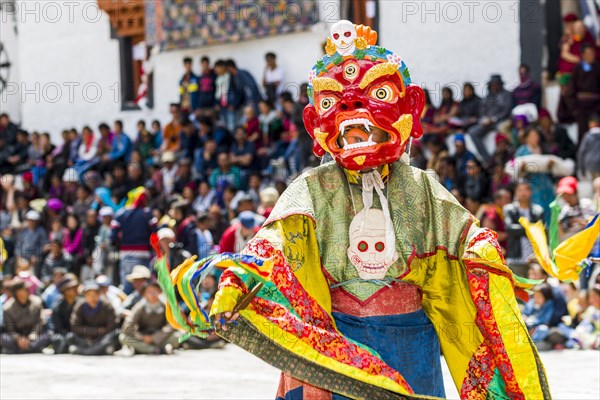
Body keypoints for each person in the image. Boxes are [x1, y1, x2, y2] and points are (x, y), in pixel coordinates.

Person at [161, 21, 551, 399]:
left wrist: (482, 249)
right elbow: (273, 246)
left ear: (409, 108)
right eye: (331, 101)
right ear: (315, 123)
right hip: (335, 342)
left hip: (410, 338)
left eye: (376, 94)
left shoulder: (421, 187)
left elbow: (464, 238)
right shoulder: (312, 187)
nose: (351, 106)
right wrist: (238, 278)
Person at [111, 187, 155, 293]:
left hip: (126, 253)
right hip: (143, 253)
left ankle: (127, 306)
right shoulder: (147, 213)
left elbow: (113, 234)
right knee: (143, 283)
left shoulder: (121, 213)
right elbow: (155, 231)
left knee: (127, 284)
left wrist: (117, 245)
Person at [119, 281, 179, 355]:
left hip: (160, 337)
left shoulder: (166, 305)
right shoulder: (139, 307)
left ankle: (145, 349)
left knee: (178, 335)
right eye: (150, 292)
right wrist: (142, 337)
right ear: (144, 294)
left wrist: (154, 337)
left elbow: (172, 324)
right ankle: (154, 350)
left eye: (155, 291)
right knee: (123, 337)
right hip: (143, 338)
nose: (153, 295)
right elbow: (128, 325)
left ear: (160, 292)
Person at [467, 74, 512, 163]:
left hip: (500, 121)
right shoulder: (488, 96)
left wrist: (494, 119)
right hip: (488, 123)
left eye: (495, 84)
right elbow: (482, 110)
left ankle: (508, 155)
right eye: (492, 84)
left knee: (502, 129)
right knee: (473, 132)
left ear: (500, 84)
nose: (494, 86)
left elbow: (506, 111)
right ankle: (487, 159)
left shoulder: (506, 94)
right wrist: (485, 119)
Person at [503, 180, 544, 277]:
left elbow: (542, 231)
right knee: (518, 290)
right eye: (520, 190)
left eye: (526, 189)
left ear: (530, 192)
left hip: (534, 259)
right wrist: (530, 228)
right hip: (516, 259)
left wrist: (526, 229)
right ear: (516, 192)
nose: (523, 193)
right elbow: (509, 228)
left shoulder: (538, 210)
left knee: (536, 289)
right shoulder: (509, 209)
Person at [0, 277, 51, 354]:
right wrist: (18, 339)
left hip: (33, 335)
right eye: (21, 292)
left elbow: (39, 321)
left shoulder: (37, 302)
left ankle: (22, 349)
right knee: (3, 338)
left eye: (25, 290)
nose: (24, 293)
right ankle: (30, 349)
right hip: (16, 336)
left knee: (48, 334)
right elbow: (9, 327)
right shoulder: (8, 307)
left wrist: (32, 336)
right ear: (15, 293)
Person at [514, 127, 556, 219]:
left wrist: (549, 165)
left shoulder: (543, 148)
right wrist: (523, 167)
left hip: (545, 182)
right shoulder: (522, 151)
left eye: (536, 135)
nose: (534, 138)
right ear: (527, 138)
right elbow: (516, 169)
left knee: (549, 205)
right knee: (536, 207)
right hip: (531, 183)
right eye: (532, 136)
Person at [69, 281, 118, 355]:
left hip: (102, 336)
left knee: (114, 335)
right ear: (84, 296)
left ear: (99, 295)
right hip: (85, 336)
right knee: (71, 336)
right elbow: (74, 325)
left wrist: (102, 332)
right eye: (89, 295)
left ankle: (86, 351)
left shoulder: (106, 305)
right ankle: (98, 350)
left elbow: (113, 324)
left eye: (94, 294)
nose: (92, 298)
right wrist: (93, 331)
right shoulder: (80, 306)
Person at [568, 43, 600, 142]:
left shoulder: (597, 67)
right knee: (583, 133)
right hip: (581, 107)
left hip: (596, 106)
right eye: (589, 53)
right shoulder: (577, 69)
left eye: (592, 53)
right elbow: (572, 89)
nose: (591, 56)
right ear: (583, 55)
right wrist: (575, 108)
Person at [556, 176, 596, 241]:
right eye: (564, 196)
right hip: (573, 246)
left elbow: (594, 226)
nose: (566, 198)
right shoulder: (565, 210)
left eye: (568, 195)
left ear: (576, 192)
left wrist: (576, 220)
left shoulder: (586, 204)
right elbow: (561, 234)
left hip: (589, 245)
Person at [49, 274, 79, 354]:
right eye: (71, 288)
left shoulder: (81, 303)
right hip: (62, 334)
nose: (75, 290)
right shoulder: (57, 307)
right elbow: (57, 327)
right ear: (64, 291)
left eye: (75, 287)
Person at [578, 113, 600, 180]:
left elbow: (581, 152)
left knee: (593, 186)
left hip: (589, 164)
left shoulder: (587, 136)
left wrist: (581, 168)